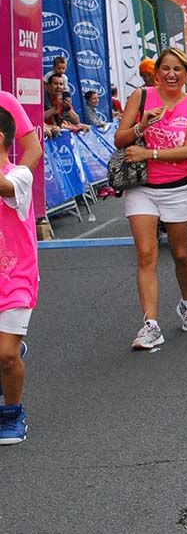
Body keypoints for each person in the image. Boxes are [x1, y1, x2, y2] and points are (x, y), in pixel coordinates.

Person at [114, 48, 187, 349]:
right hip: (141, 186)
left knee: (181, 254)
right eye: (165, 68)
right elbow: (120, 138)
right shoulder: (141, 97)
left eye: (177, 69)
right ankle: (150, 324)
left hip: (178, 187)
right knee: (145, 254)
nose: (171, 74)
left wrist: (150, 152)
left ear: (186, 74)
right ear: (156, 73)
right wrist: (142, 125)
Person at [0, 106, 36, 445]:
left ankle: (12, 412)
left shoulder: (20, 175)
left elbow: (4, 187)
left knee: (6, 356)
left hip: (15, 278)